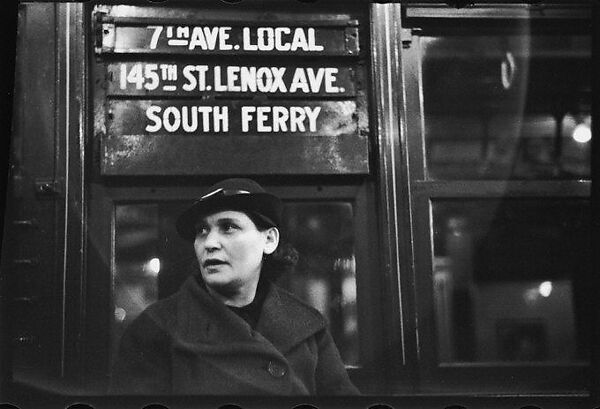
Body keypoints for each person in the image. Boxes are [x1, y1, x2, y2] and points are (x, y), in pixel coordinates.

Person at [109, 178, 360, 395]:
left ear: (269, 240)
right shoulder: (155, 328)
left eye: (228, 227)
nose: (209, 243)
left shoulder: (308, 327)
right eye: (202, 230)